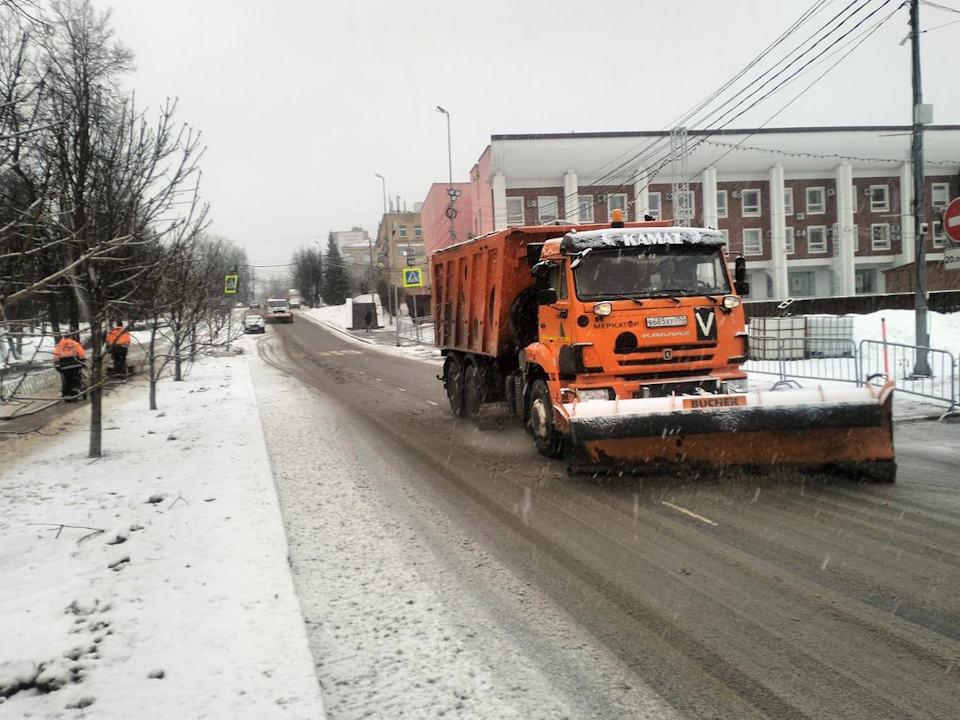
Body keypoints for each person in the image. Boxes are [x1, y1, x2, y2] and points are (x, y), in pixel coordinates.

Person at [53, 333, 86, 400]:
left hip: (64, 366)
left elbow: (56, 356)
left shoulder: (59, 345)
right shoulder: (75, 344)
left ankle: (67, 394)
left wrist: (57, 366)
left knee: (67, 380)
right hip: (76, 365)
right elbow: (81, 353)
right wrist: (82, 361)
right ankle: (75, 390)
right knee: (76, 378)